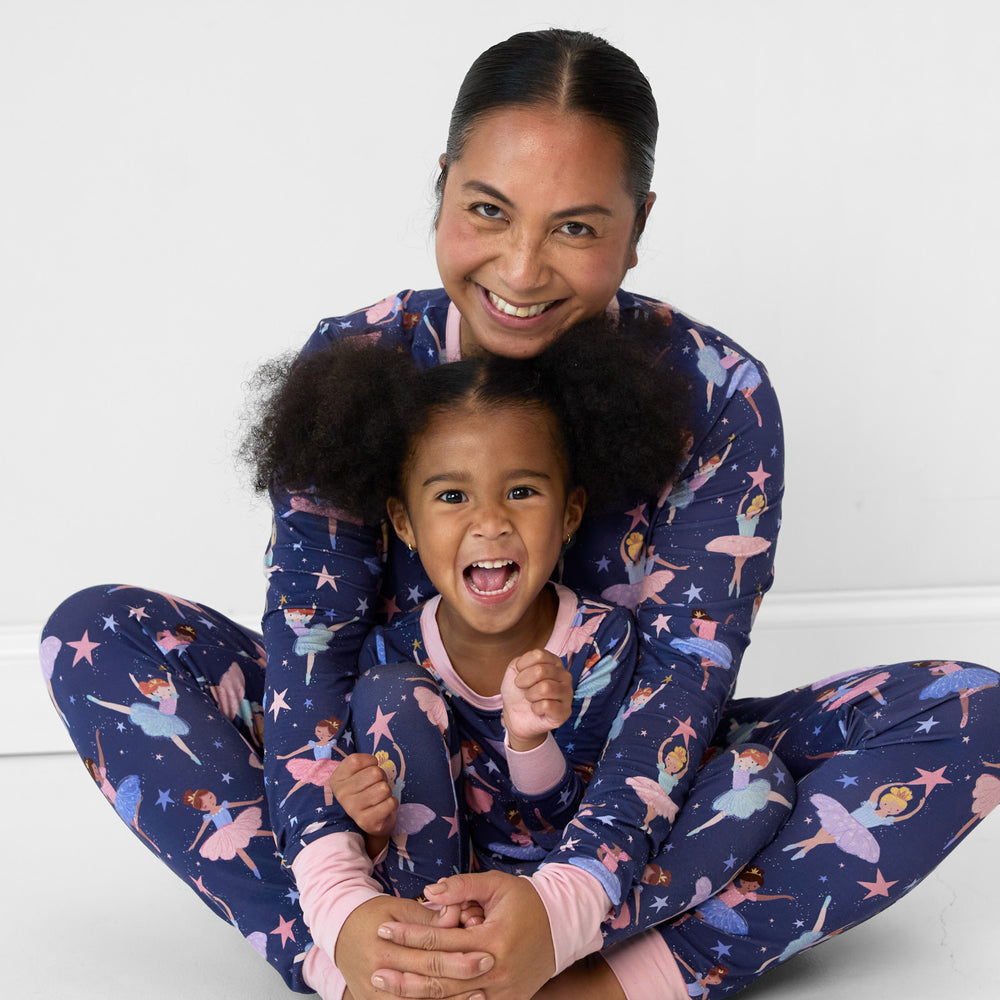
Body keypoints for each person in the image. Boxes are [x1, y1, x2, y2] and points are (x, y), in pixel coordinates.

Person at [39, 26, 999, 1000]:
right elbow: (310, 651)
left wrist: (566, 904)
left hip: (616, 785)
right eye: (488, 210)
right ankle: (367, 970)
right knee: (97, 633)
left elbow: (679, 683)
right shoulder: (357, 363)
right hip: (390, 772)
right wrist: (338, 899)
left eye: (576, 227)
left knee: (968, 713)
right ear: (444, 182)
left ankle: (591, 985)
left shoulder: (717, 394)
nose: (522, 266)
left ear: (638, 223)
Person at [244, 324, 794, 930]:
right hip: (434, 894)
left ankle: (569, 958)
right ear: (403, 522)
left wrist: (530, 740)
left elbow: (570, 818)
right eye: (452, 497)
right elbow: (400, 828)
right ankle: (439, 949)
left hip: (571, 896)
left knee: (754, 779)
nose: (490, 523)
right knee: (390, 698)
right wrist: (367, 818)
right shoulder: (388, 652)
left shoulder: (600, 642)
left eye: (523, 491)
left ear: (570, 515)